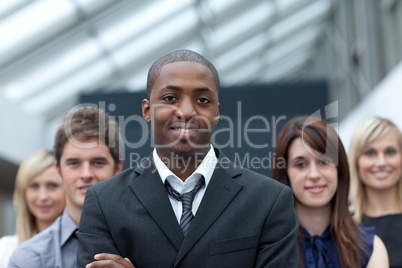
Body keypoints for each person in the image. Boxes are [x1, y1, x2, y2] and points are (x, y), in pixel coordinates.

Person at [77, 49, 299, 268]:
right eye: (170, 98)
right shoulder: (103, 202)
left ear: (217, 113)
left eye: (202, 100)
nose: (186, 111)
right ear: (147, 110)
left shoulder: (269, 201)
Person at [8, 107, 124, 268]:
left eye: (98, 162)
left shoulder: (150, 243)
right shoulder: (27, 259)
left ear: (118, 168)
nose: (86, 174)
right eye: (74, 163)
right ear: (58, 170)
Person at [272, 115, 388, 268]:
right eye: (301, 165)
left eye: (324, 161)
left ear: (340, 169)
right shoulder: (271, 249)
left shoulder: (370, 248)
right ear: (285, 173)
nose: (314, 174)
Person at [348, 116, 402, 268]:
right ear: (356, 161)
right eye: (370, 153)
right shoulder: (345, 227)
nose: (381, 163)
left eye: (390, 152)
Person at [0, 150, 65, 268]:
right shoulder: (5, 250)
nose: (43, 196)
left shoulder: (82, 247)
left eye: (52, 185)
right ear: (23, 193)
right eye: (34, 186)